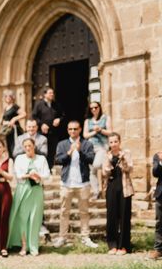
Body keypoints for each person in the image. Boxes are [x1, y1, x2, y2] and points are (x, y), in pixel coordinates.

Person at [52, 121, 98, 249]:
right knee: (64, 211)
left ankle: (85, 237)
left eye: (75, 129)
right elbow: (57, 160)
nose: (73, 131)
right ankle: (62, 237)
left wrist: (80, 151)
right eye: (70, 129)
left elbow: (91, 159)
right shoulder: (62, 144)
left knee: (84, 212)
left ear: (80, 130)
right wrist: (69, 153)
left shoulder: (87, 144)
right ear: (67, 130)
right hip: (66, 183)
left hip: (83, 183)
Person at [7, 138, 51, 256]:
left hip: (36, 190)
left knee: (35, 218)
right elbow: (18, 174)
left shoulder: (41, 159)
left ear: (34, 146)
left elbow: (47, 174)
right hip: (23, 189)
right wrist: (28, 175)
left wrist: (38, 175)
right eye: (25, 146)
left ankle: (33, 246)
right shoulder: (19, 158)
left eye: (29, 146)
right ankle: (24, 245)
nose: (27, 148)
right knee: (23, 218)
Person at [103, 133, 133, 255]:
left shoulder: (126, 153)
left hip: (125, 188)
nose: (113, 144)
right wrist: (109, 164)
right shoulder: (107, 155)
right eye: (111, 142)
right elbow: (105, 173)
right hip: (111, 187)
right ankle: (112, 244)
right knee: (111, 217)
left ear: (119, 142)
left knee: (124, 217)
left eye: (115, 141)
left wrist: (123, 160)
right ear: (109, 144)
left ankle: (124, 246)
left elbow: (130, 169)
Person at [83, 101, 112, 199]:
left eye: (96, 107)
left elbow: (110, 132)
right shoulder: (88, 121)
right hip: (91, 147)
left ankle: (103, 187)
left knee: (97, 165)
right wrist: (94, 132)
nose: (94, 109)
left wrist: (101, 130)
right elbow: (85, 135)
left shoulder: (106, 118)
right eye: (92, 108)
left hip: (102, 146)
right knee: (92, 171)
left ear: (99, 107)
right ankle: (96, 192)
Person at [32, 87, 64, 169]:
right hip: (42, 133)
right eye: (50, 93)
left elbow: (62, 115)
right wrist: (41, 124)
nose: (52, 94)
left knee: (52, 151)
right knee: (42, 151)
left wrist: (59, 119)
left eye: (53, 93)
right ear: (45, 94)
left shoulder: (56, 104)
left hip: (54, 133)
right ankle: (41, 168)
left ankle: (49, 169)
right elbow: (34, 116)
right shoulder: (39, 104)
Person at [0, 90, 26, 158]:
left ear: (12, 97)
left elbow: (24, 114)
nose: (8, 98)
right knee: (9, 147)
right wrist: (4, 122)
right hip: (8, 131)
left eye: (9, 96)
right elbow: (3, 120)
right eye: (6, 96)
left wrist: (14, 119)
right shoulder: (5, 108)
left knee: (15, 147)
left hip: (15, 130)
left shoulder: (15, 106)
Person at [150, 151, 162, 260]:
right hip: (160, 194)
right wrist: (161, 162)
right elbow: (155, 173)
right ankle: (158, 249)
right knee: (159, 222)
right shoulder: (157, 155)